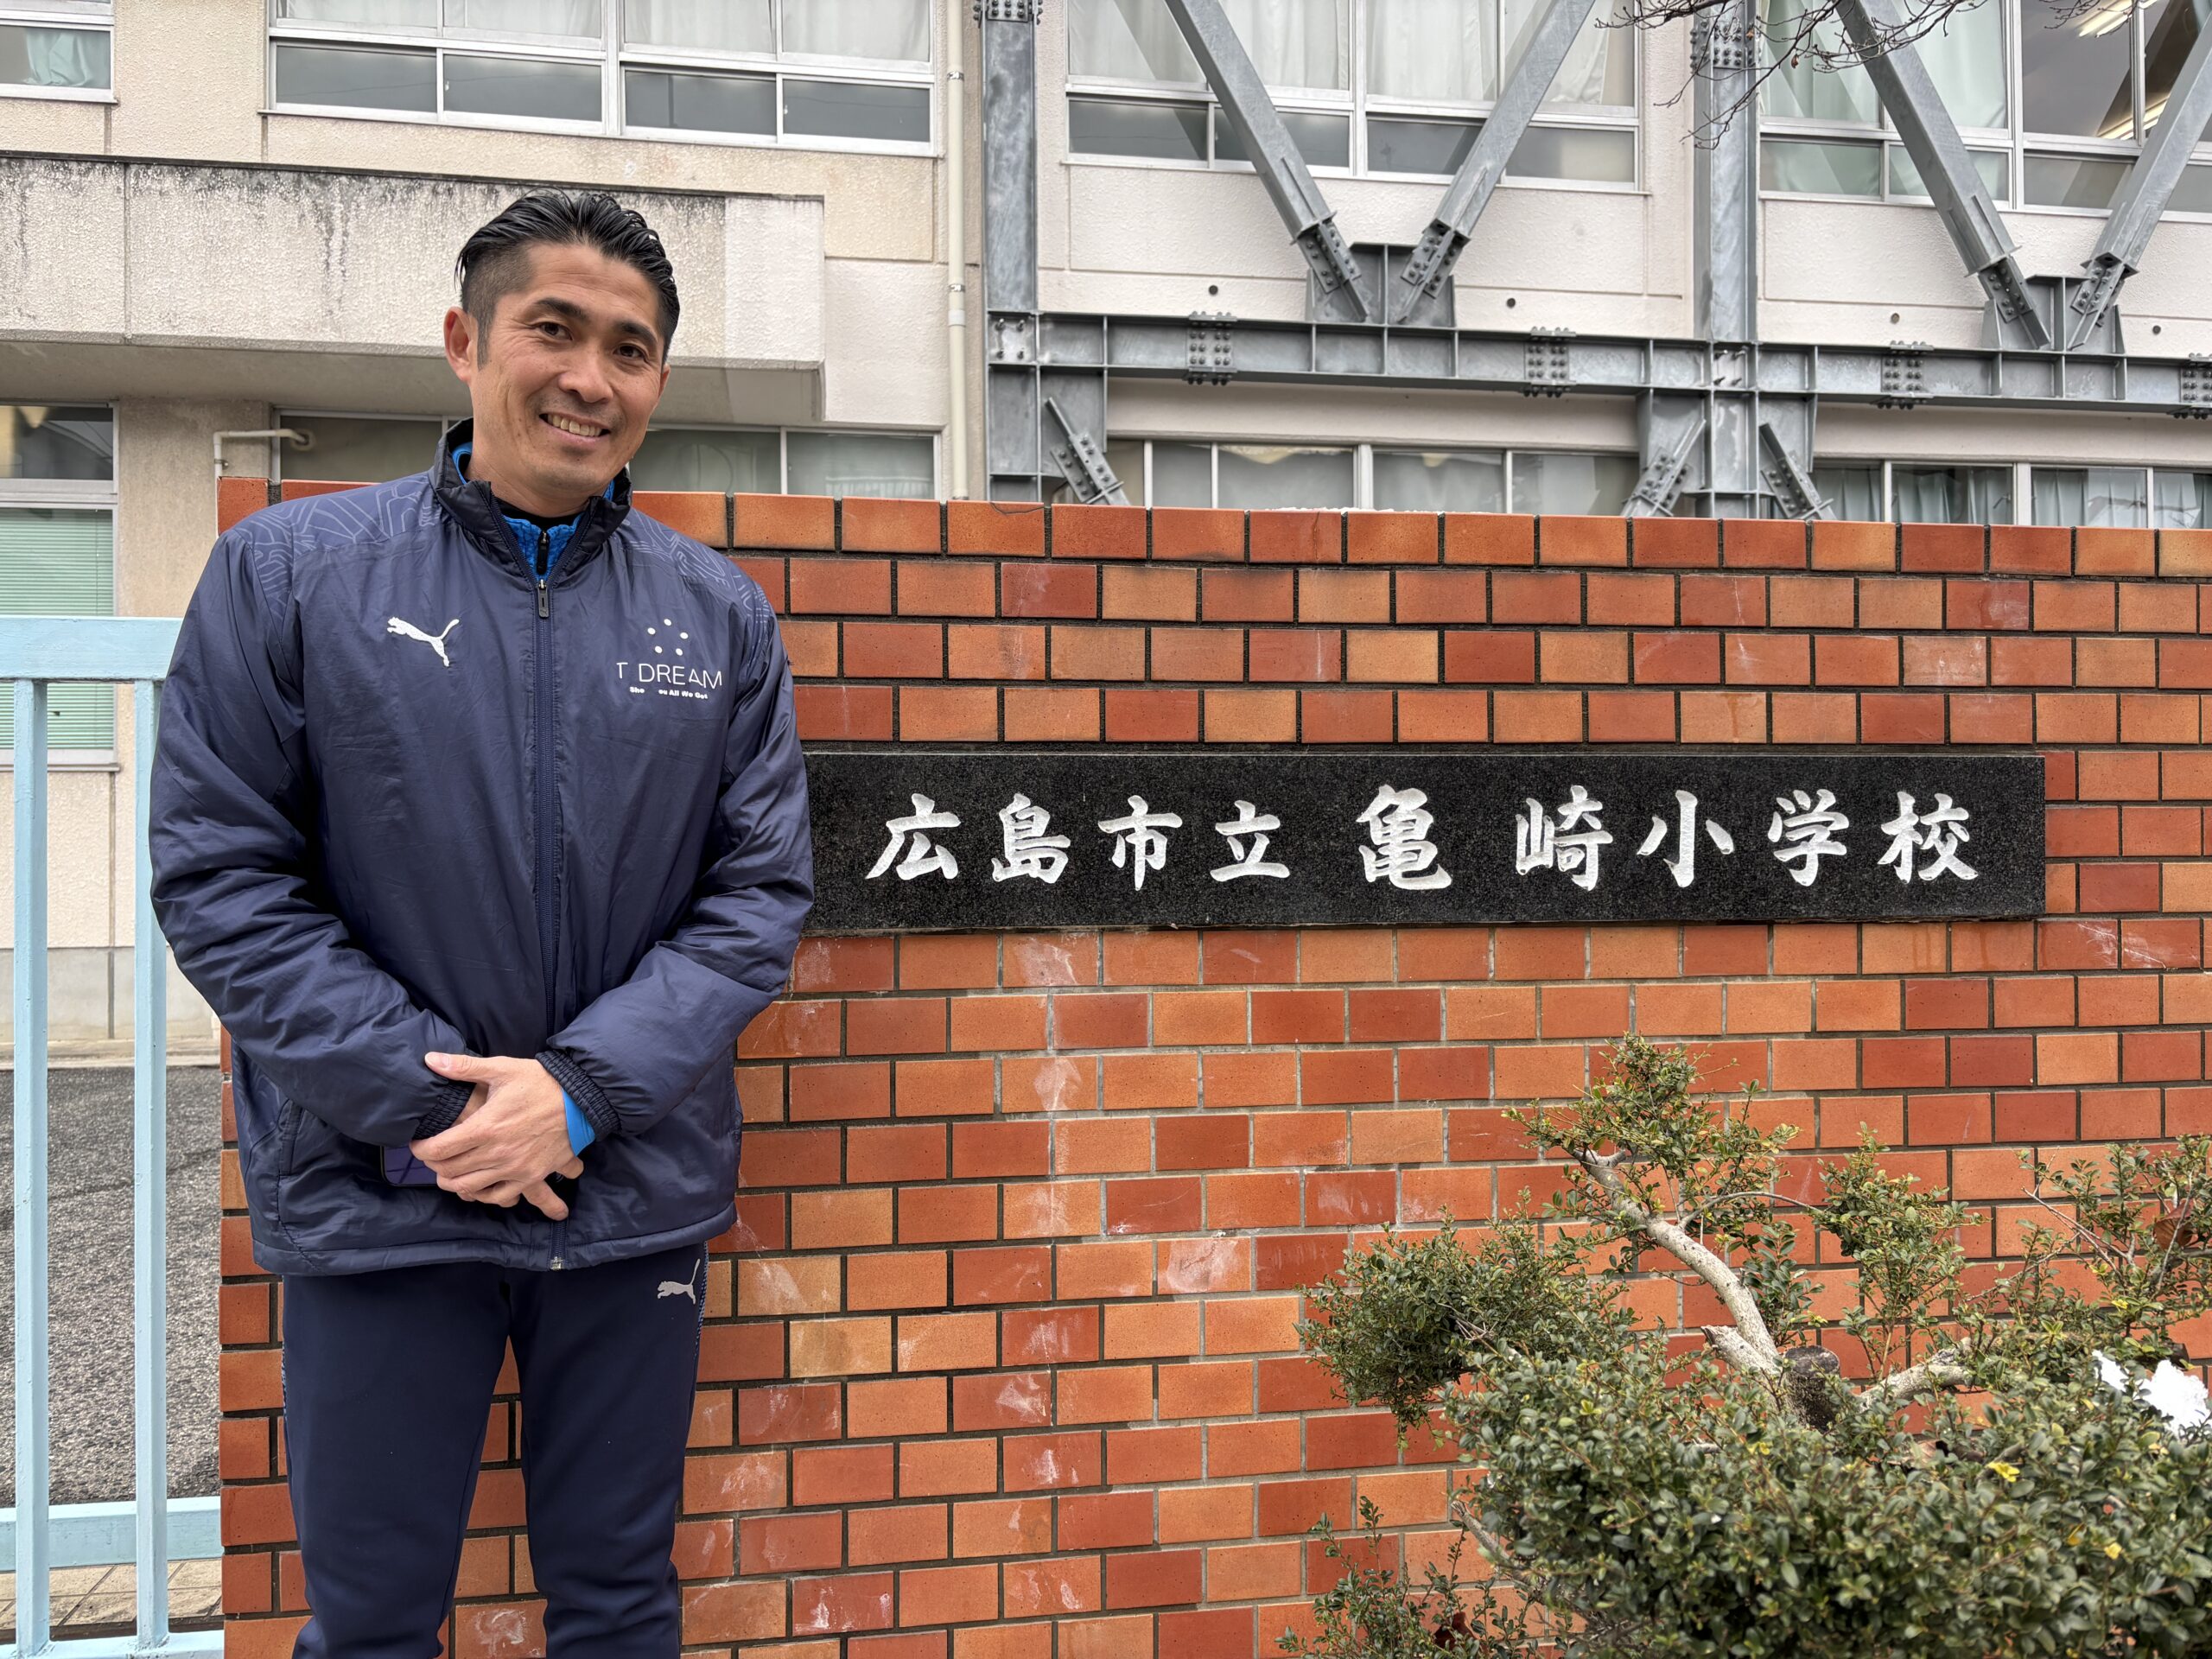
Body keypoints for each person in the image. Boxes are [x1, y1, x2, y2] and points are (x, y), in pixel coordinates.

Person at [150, 191, 812, 1655]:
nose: (590, 378)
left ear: (657, 380)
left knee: (620, 1606)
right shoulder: (292, 574)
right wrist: (445, 1110)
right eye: (552, 331)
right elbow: (224, 877)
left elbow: (755, 898)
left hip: (626, 1190)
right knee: (373, 1622)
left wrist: (576, 1096)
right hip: (382, 1195)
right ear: (466, 341)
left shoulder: (715, 617)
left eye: (629, 349)